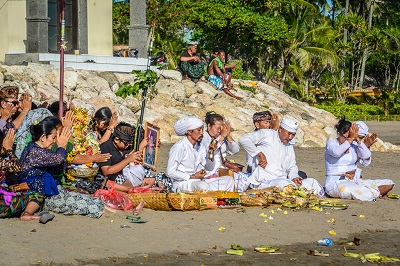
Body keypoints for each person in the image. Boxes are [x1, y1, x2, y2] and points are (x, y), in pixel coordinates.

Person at [239, 117, 324, 196]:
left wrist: (294, 177)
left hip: (284, 180)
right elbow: (243, 140)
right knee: (284, 184)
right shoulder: (267, 134)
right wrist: (259, 154)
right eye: (289, 134)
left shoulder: (289, 145)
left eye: (293, 135)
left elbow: (292, 166)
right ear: (280, 129)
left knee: (312, 182)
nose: (290, 137)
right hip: (264, 182)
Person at [324, 118, 395, 201]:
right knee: (345, 190)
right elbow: (336, 152)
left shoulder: (353, 145)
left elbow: (366, 158)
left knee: (390, 183)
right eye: (347, 137)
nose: (349, 140)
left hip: (354, 181)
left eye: (351, 137)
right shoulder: (332, 143)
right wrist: (350, 139)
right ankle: (374, 193)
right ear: (339, 134)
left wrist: (359, 141)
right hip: (336, 183)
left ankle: (371, 192)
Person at [166, 116, 234, 192]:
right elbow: (170, 172)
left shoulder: (200, 147)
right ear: (189, 132)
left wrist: (210, 154)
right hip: (183, 183)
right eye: (198, 130)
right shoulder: (179, 147)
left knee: (229, 180)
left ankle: (214, 195)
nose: (201, 133)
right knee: (202, 186)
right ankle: (211, 195)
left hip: (199, 180)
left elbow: (207, 167)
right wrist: (192, 176)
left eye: (202, 130)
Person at [99, 122, 152, 192]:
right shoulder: (105, 147)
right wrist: (128, 160)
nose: (129, 145)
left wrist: (151, 143)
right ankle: (134, 188)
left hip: (126, 172)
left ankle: (143, 186)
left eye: (131, 142)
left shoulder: (127, 147)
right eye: (127, 143)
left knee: (148, 170)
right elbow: (106, 171)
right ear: (116, 140)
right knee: (117, 178)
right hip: (112, 176)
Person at [200, 112, 245, 191]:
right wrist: (222, 136)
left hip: (223, 170)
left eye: (221, 128)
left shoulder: (221, 137)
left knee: (244, 178)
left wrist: (227, 135)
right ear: (209, 126)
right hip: (210, 171)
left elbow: (235, 150)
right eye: (218, 128)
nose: (219, 131)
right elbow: (211, 149)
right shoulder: (204, 137)